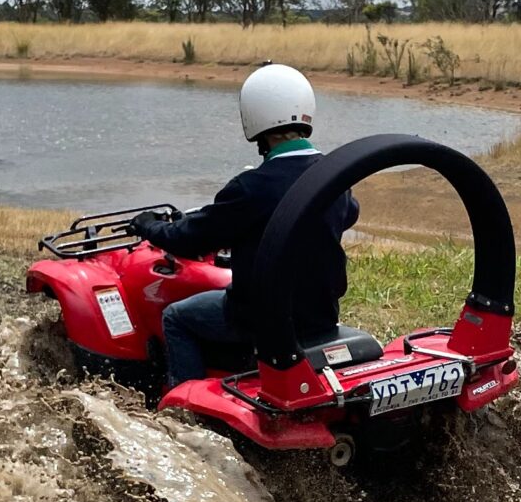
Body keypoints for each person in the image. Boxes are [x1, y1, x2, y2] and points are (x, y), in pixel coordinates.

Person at [133, 64, 359, 385]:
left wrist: (148, 226)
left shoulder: (250, 187)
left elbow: (191, 239)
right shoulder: (333, 177)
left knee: (176, 318)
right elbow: (349, 213)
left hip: (258, 319)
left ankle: (185, 405)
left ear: (255, 118)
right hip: (321, 314)